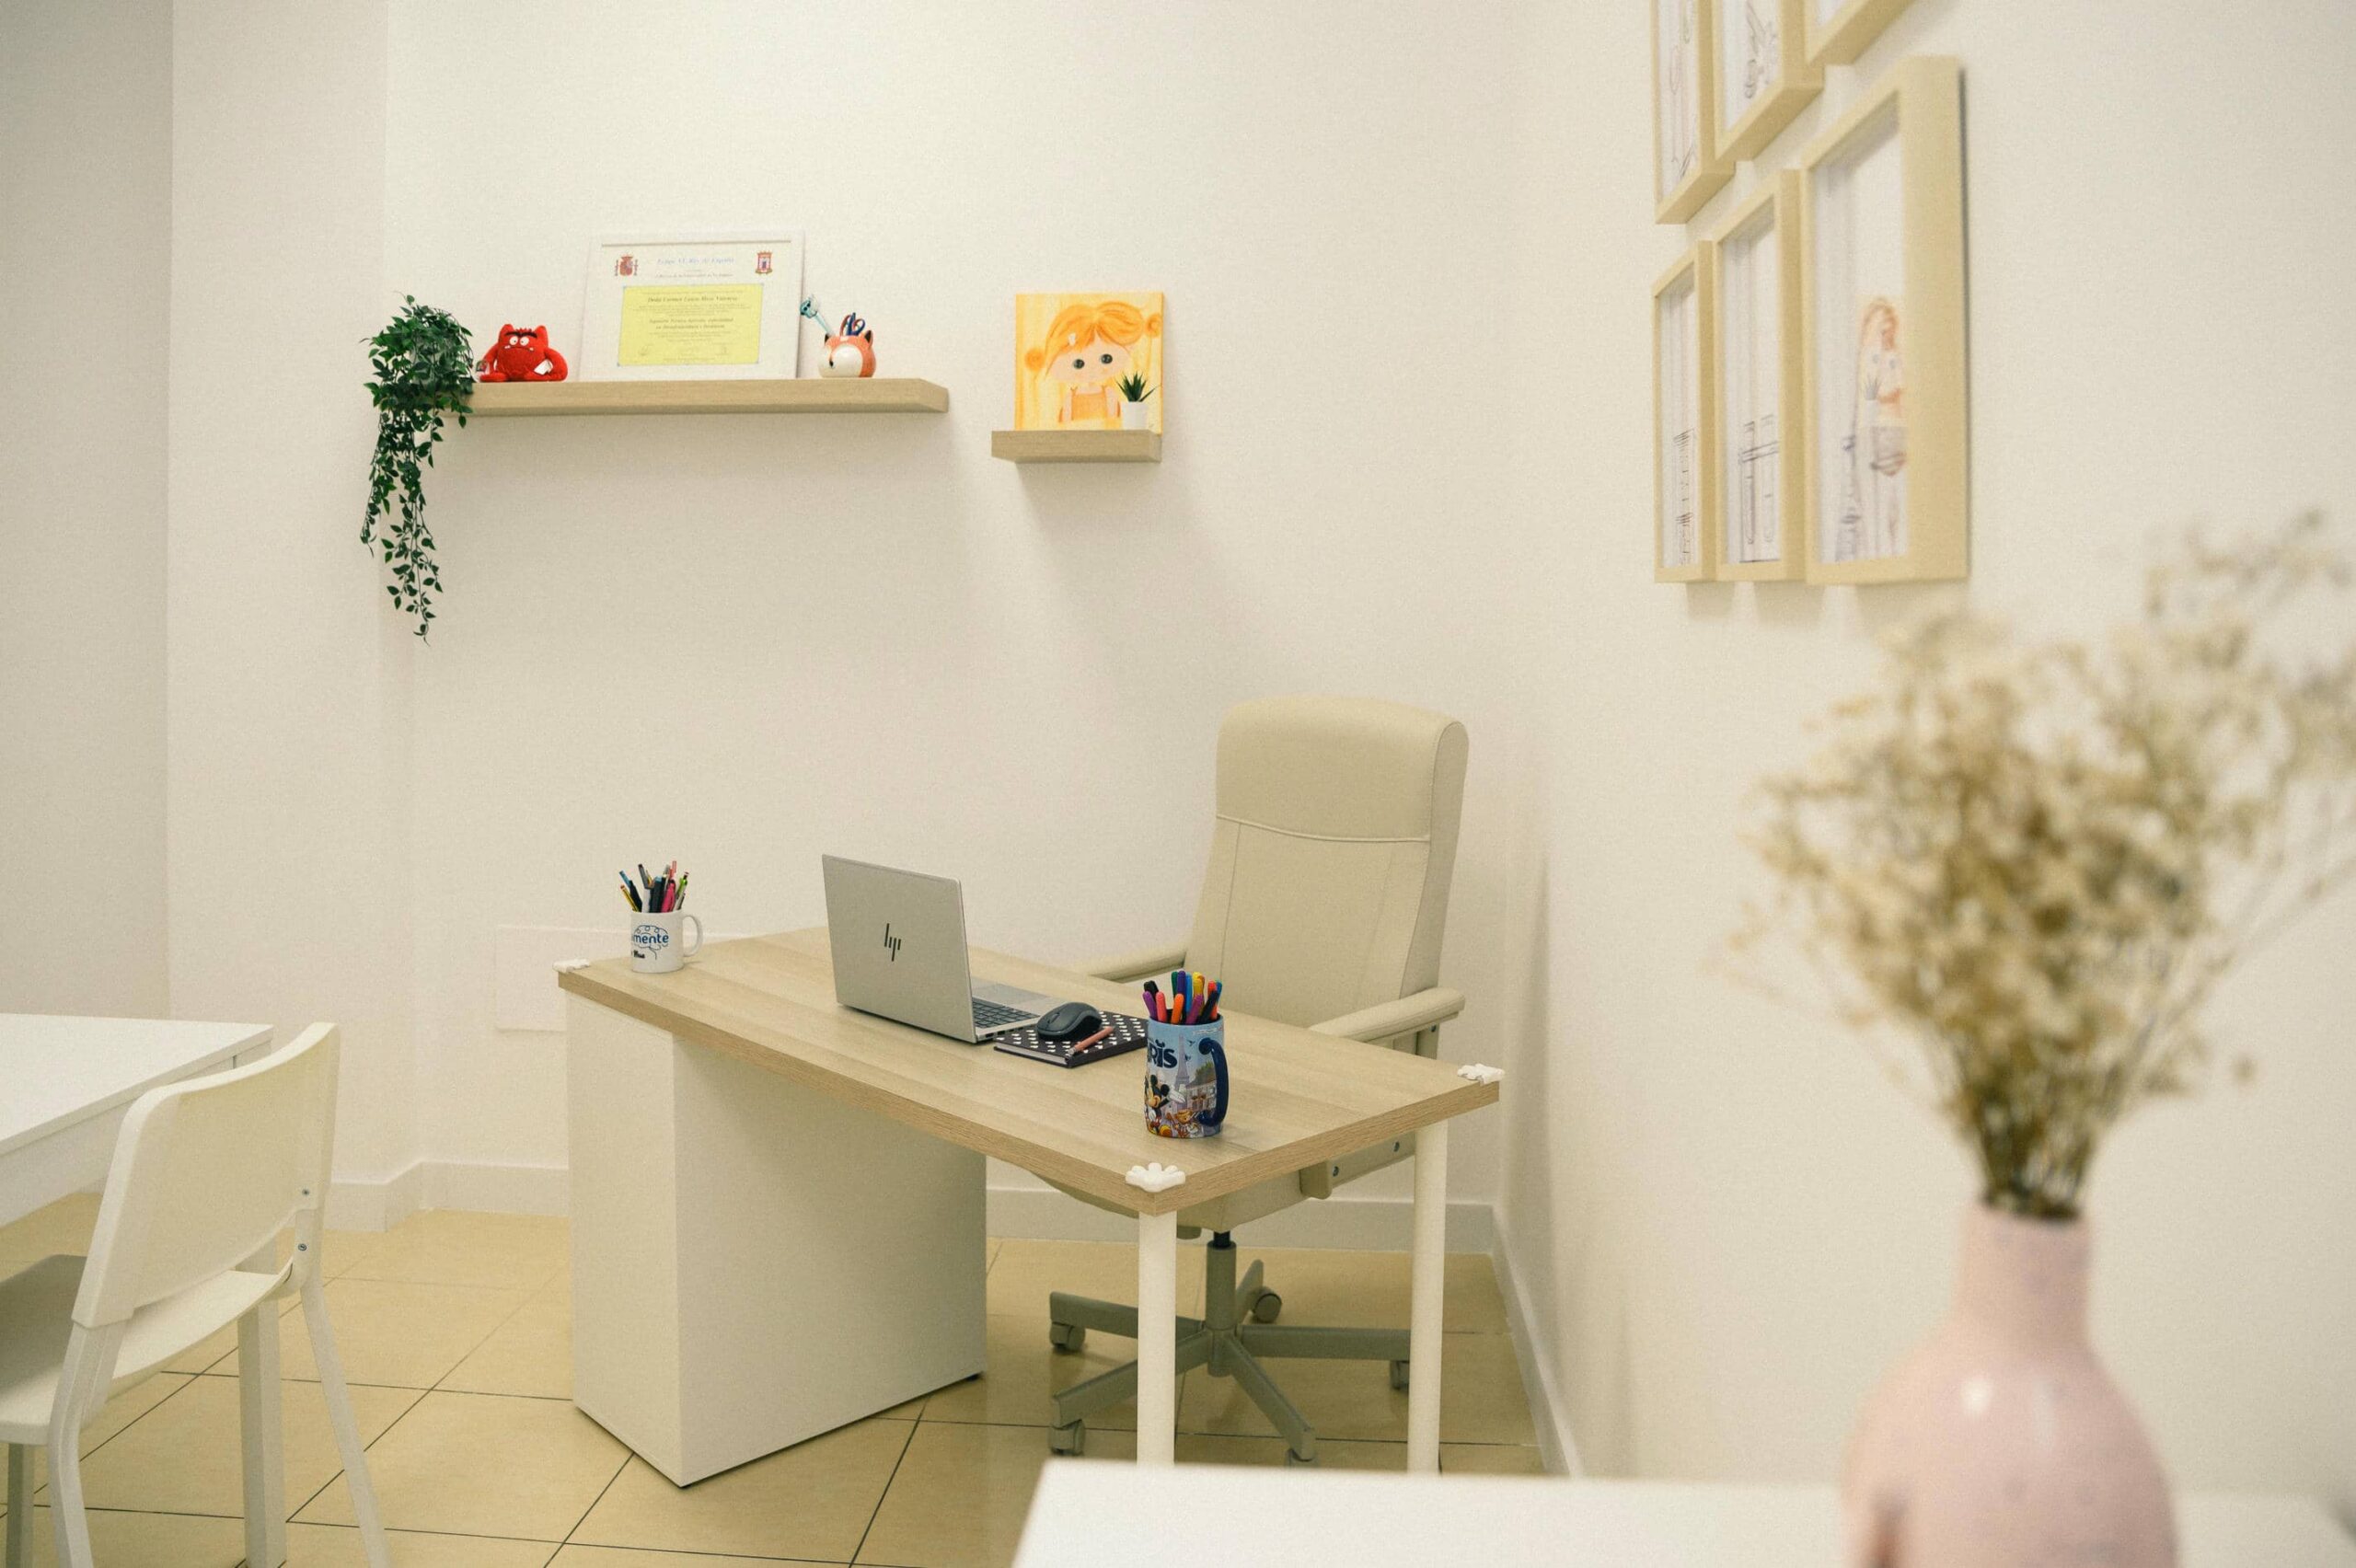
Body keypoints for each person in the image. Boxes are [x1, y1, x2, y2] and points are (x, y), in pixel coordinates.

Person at [1024, 298, 1160, 427]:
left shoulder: (1109, 395)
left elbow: (1115, 422)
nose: (1092, 370)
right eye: (1078, 364)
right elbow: (1064, 428)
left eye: (1106, 359)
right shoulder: (1070, 399)